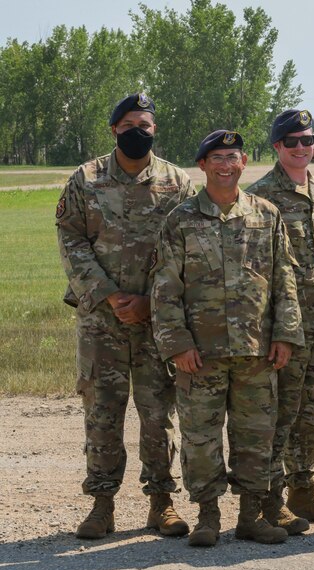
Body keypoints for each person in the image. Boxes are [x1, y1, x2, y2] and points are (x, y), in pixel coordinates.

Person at [151, 130, 304, 547]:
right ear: (202, 165)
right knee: (200, 438)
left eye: (232, 157)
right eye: (216, 157)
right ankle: (208, 516)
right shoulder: (180, 220)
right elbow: (165, 288)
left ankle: (252, 516)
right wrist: (178, 343)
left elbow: (284, 280)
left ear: (243, 163)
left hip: (256, 350)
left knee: (256, 436)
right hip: (201, 353)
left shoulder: (267, 215)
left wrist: (286, 334)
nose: (225, 164)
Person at [56, 92, 194, 540]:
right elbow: (71, 239)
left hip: (158, 321)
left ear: (155, 130)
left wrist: (151, 302)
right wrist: (111, 296)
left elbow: (188, 250)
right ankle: (101, 505)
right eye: (130, 124)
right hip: (102, 321)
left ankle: (161, 502)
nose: (139, 131)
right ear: (114, 129)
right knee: (102, 412)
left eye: (147, 125)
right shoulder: (86, 179)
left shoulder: (177, 183)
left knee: (159, 414)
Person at [247, 109, 314, 529]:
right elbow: (251, 268)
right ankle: (270, 500)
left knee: (313, 411)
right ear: (277, 147)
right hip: (283, 329)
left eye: (308, 140)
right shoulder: (260, 196)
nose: (302, 147)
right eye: (293, 141)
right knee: (281, 413)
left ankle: (304, 491)